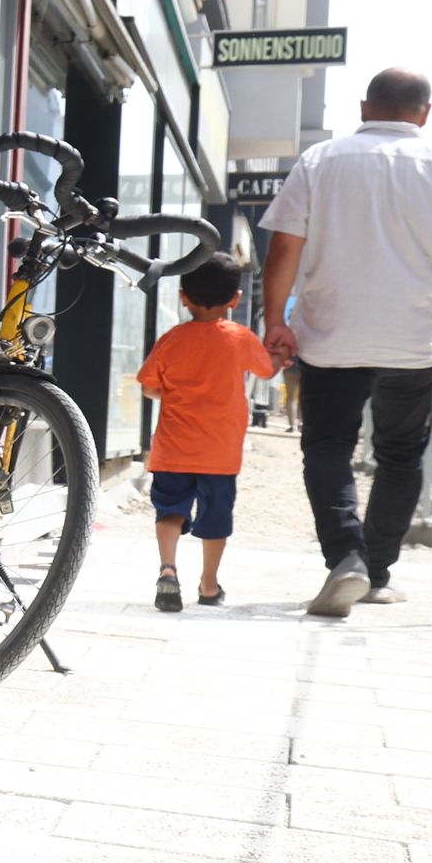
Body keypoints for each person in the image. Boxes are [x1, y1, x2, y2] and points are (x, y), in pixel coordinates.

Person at [260, 66, 432, 618]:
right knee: (398, 456)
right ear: (425, 114)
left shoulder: (321, 161)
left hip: (331, 335)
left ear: (365, 109)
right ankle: (376, 572)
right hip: (413, 342)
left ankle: (346, 557)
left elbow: (283, 247)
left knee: (328, 448)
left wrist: (276, 319)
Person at [134, 255, 272, 612]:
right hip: (220, 453)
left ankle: (167, 570)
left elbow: (148, 386)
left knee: (169, 510)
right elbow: (267, 370)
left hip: (174, 448)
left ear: (183, 297)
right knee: (216, 519)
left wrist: (170, 392)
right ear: (235, 299)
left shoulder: (172, 339)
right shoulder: (240, 338)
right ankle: (209, 585)